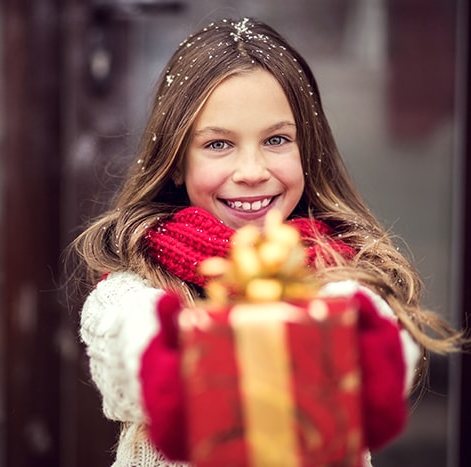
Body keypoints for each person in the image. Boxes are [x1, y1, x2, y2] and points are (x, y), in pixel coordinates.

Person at [68, 17, 464, 466]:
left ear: (307, 150)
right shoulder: (134, 286)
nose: (252, 171)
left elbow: (371, 331)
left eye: (276, 139)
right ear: (177, 162)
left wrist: (368, 354)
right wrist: (186, 367)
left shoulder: (341, 271)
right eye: (219, 145)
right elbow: (130, 345)